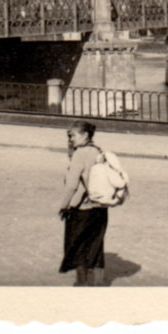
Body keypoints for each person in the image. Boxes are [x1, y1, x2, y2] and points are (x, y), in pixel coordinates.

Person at [58, 120, 111, 286]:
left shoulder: (80, 154)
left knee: (78, 245)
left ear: (85, 135)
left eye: (73, 135)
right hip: (101, 207)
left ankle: (82, 283)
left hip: (82, 209)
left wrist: (64, 205)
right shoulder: (98, 151)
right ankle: (98, 282)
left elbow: (72, 185)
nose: (71, 139)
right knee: (96, 244)